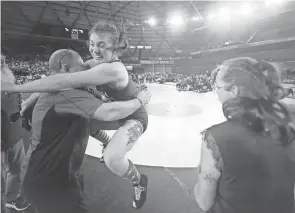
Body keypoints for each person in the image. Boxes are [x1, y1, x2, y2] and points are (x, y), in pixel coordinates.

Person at [1, 21, 150, 209]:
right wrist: (32, 99)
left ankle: (139, 182)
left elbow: (62, 80)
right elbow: (60, 79)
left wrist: (16, 88)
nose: (95, 49)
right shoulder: (95, 63)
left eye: (102, 45)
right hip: (116, 109)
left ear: (114, 46)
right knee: (80, 119)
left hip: (133, 114)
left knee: (112, 158)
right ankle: (106, 142)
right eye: (93, 43)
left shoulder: (113, 69)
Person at [194, 57, 295, 213]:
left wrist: (200, 172)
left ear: (234, 91)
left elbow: (203, 202)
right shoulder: (288, 129)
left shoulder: (217, 138)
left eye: (218, 87)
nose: (216, 91)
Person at [1, 55, 29, 212]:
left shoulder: (9, 78)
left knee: (17, 171)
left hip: (14, 136)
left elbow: (17, 105)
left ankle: (10, 200)